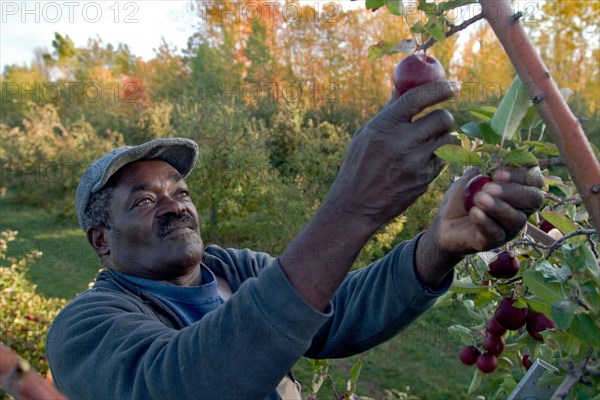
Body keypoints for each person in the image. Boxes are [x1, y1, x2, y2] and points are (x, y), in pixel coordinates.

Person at [46, 80, 544, 400]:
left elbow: (334, 309)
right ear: (102, 241)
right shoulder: (85, 329)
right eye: (143, 201)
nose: (176, 205)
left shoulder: (231, 269)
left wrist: (438, 243)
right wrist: (352, 207)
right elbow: (186, 382)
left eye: (181, 191)